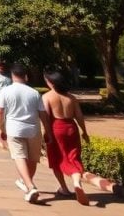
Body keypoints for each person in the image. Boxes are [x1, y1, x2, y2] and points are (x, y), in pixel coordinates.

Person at [0, 63, 50, 204]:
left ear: (12, 76)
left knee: (19, 157)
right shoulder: (34, 93)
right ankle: (28, 185)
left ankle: (30, 186)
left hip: (14, 128)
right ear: (26, 76)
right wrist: (47, 131)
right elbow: (42, 114)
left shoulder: (6, 91)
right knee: (32, 159)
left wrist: (1, 128)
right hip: (33, 129)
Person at [43, 70, 90, 205]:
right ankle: (76, 182)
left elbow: (46, 116)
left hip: (56, 128)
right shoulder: (71, 97)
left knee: (56, 158)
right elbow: (79, 116)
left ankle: (64, 188)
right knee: (73, 156)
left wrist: (47, 132)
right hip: (71, 127)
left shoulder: (47, 97)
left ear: (50, 82)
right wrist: (84, 132)